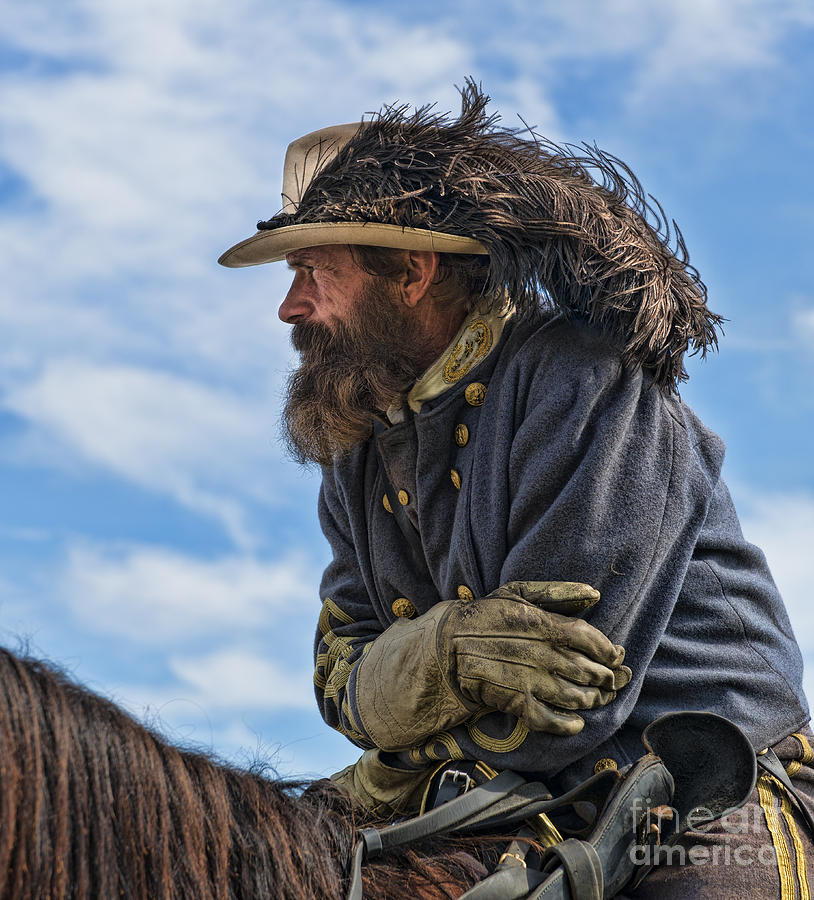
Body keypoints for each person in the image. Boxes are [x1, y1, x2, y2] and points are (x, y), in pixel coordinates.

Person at [219, 82, 813, 896]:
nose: (290, 308)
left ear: (413, 274)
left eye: (314, 272)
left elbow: (566, 710)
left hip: (692, 786)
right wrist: (448, 657)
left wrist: (399, 714)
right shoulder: (355, 437)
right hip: (495, 797)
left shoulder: (579, 376)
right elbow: (336, 673)